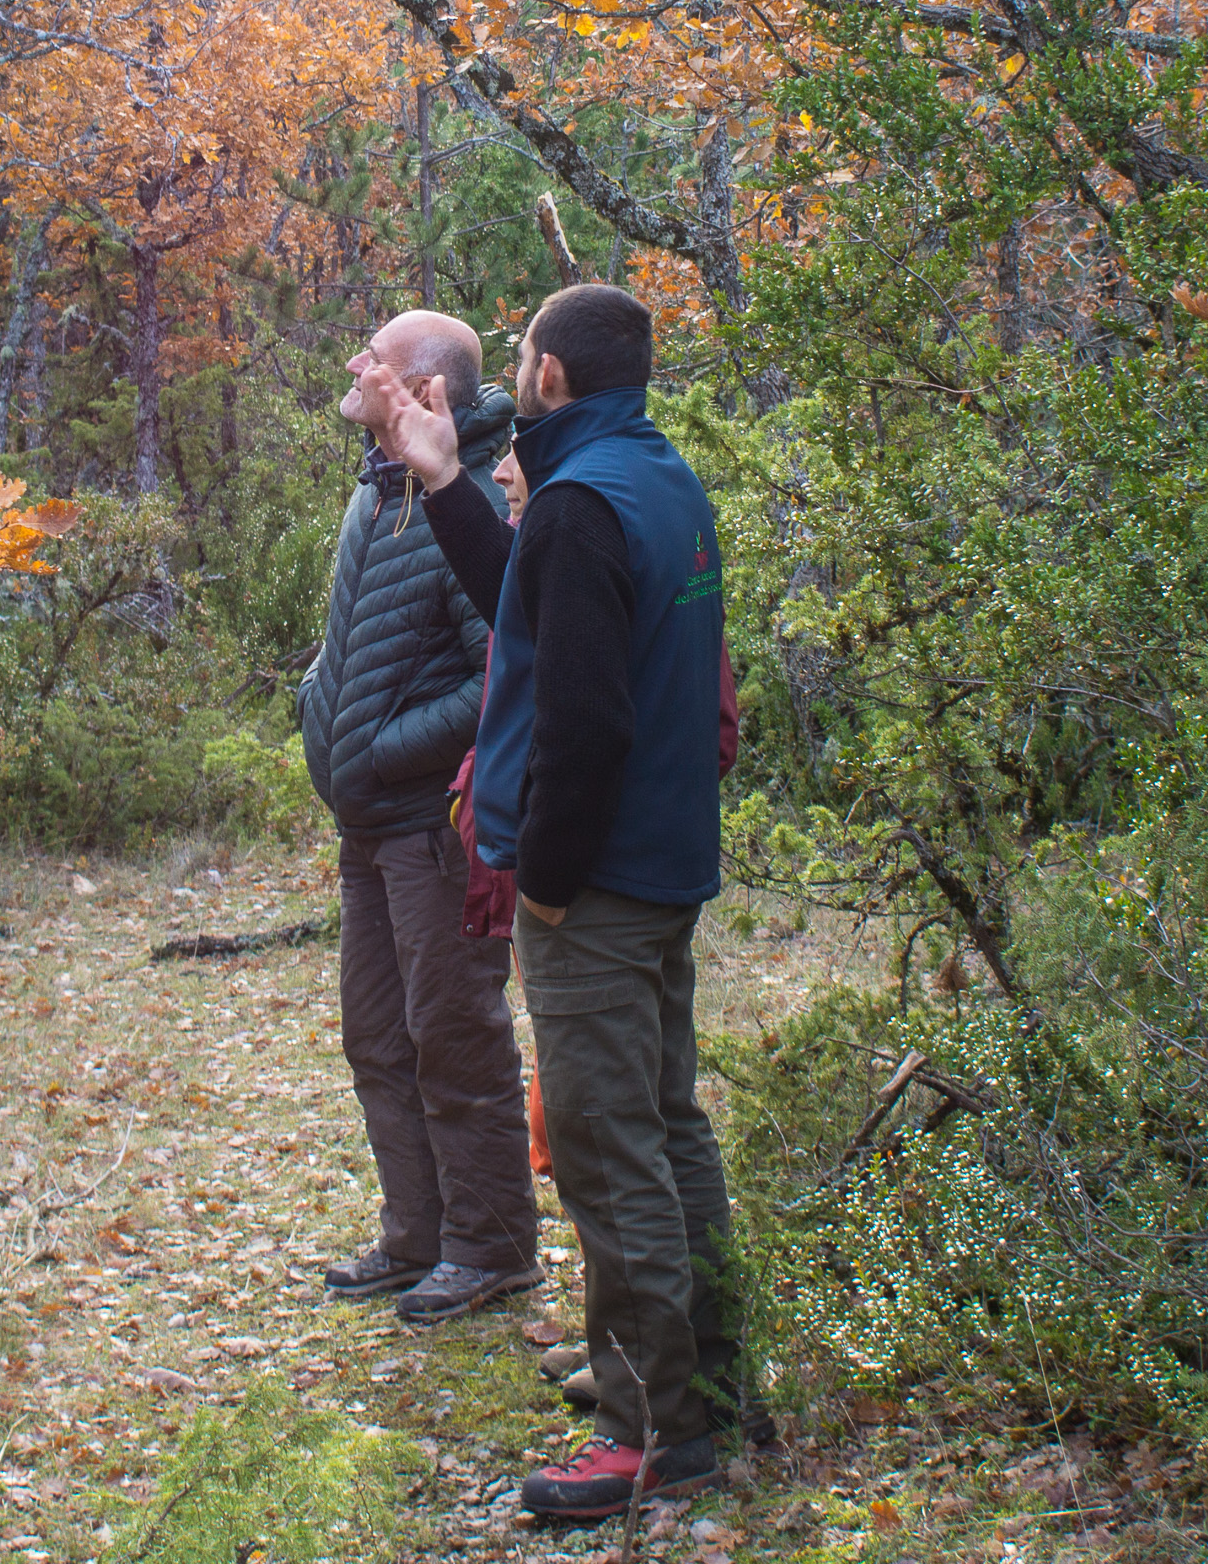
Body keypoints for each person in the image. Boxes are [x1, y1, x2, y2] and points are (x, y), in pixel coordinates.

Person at [357, 282, 744, 1522]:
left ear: (551, 379)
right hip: (665, 861)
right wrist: (443, 474)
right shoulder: (651, 475)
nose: (512, 375)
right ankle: (705, 1379)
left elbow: (583, 720)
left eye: (521, 359)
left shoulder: (582, 502)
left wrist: (554, 881)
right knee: (666, 1123)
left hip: (604, 882)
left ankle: (650, 1430)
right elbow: (544, 602)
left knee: (604, 1144)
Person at [299, 309, 541, 1326]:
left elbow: (507, 667)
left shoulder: (469, 501)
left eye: (377, 357)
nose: (356, 365)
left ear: (424, 386)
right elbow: (362, 644)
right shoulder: (378, 483)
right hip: (368, 823)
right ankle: (417, 1234)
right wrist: (316, 699)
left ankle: (490, 1247)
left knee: (453, 1032)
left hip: (435, 824)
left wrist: (392, 746)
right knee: (378, 1034)